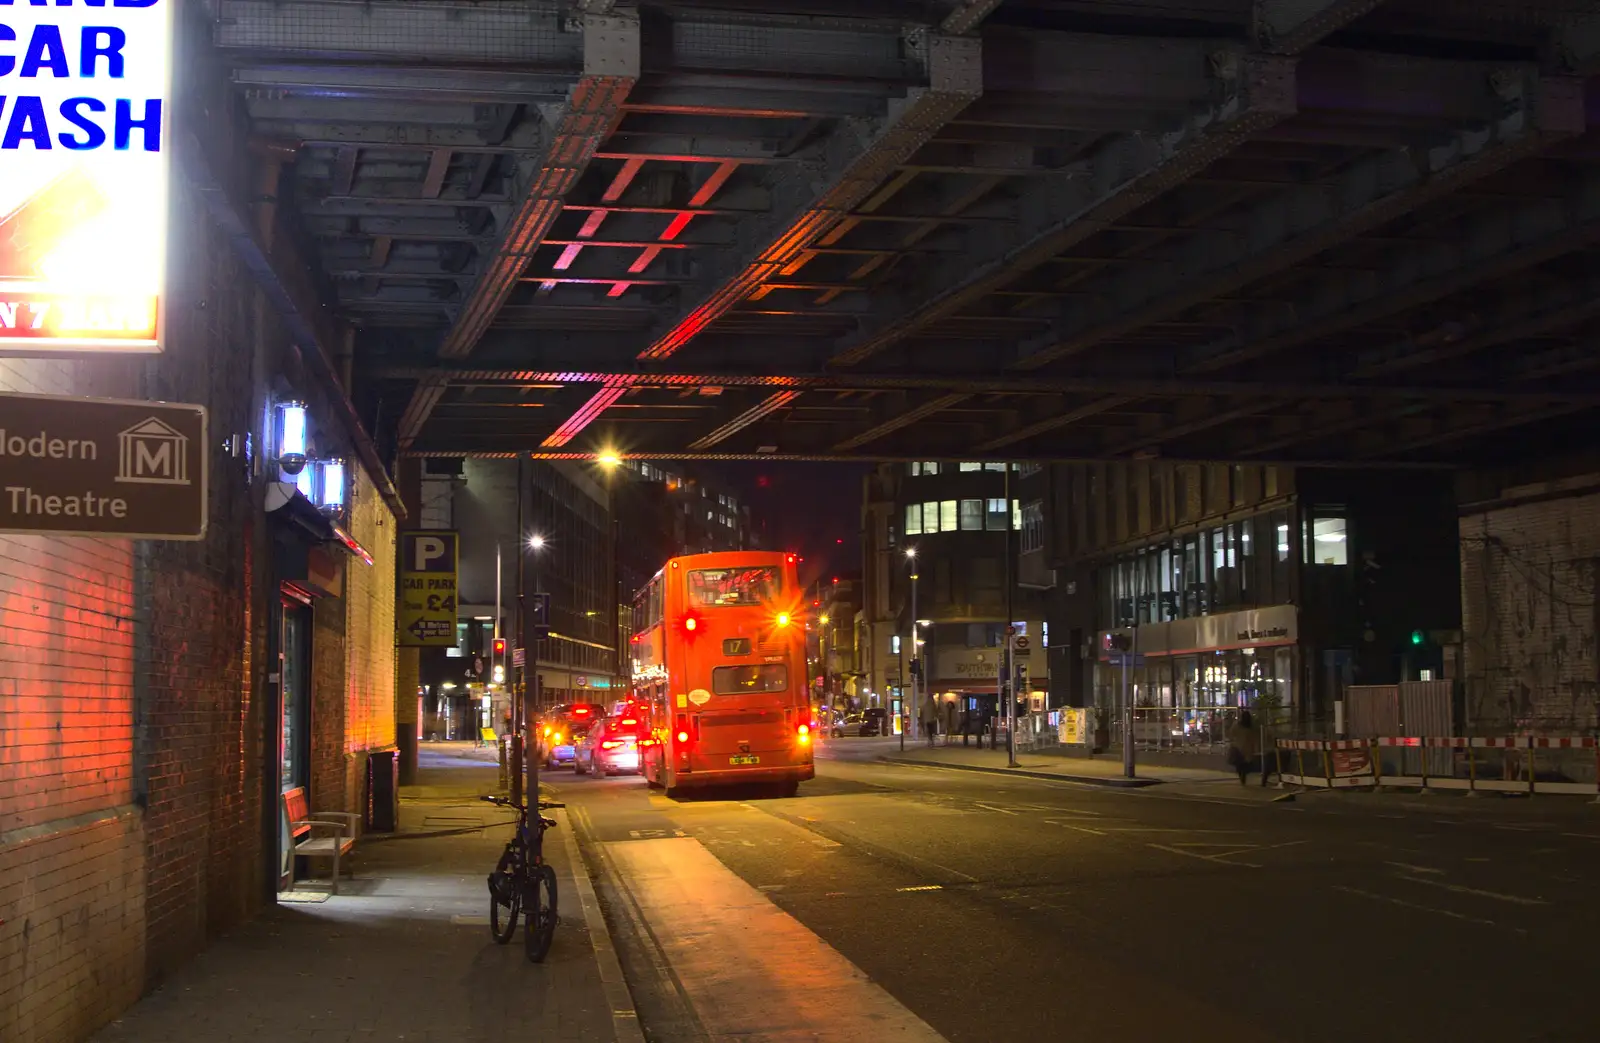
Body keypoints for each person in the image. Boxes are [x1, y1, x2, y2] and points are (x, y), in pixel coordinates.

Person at [1227, 709, 1266, 786]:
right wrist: (1256, 748)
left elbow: (1231, 734)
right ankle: (1243, 776)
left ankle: (1242, 777)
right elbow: (1255, 738)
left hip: (1238, 748)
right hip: (1247, 749)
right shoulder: (1251, 727)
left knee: (1239, 765)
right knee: (1244, 764)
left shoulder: (1237, 725)